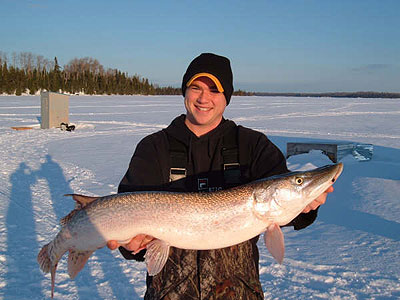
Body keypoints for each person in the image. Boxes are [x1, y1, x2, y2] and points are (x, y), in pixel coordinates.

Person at [107, 53, 334, 299]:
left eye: (215, 90)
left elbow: (281, 207)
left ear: (227, 97)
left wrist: (306, 205)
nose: (204, 98)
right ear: (185, 91)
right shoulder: (154, 148)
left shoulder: (252, 145)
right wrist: (132, 246)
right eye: (196, 88)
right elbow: (128, 219)